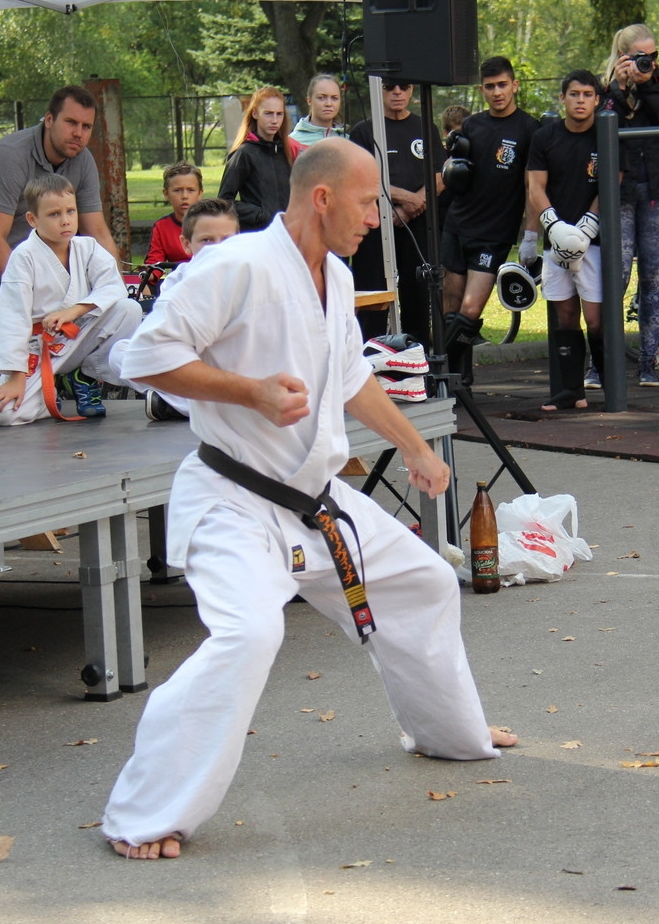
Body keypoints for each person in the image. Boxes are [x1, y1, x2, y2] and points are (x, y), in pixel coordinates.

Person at [101, 138, 516, 860]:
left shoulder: (331, 274)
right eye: (365, 203)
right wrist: (249, 391)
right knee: (249, 635)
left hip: (315, 501)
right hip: (233, 499)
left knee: (421, 582)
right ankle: (147, 814)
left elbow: (352, 377)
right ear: (321, 198)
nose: (374, 218)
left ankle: (451, 733)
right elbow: (142, 358)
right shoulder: (234, 266)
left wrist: (415, 447)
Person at [0, 174, 143, 425]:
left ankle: (84, 375)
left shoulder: (87, 247)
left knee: (128, 309)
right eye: (54, 214)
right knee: (3, 415)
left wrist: (74, 311)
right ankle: (49, 395)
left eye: (71, 211)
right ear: (32, 219)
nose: (66, 220)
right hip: (37, 346)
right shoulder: (23, 257)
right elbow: (13, 317)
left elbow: (113, 286)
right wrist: (15, 376)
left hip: (77, 337)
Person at [0, 85, 119, 276]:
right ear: (49, 120)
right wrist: (35, 296)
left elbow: (98, 232)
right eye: (71, 122)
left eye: (86, 126)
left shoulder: (83, 160)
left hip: (8, 268)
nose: (78, 133)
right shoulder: (10, 156)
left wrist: (118, 290)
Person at [439, 56, 541, 384]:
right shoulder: (472, 126)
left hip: (494, 233)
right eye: (490, 87)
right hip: (458, 225)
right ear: (481, 89)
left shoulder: (529, 129)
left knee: (469, 311)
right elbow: (457, 176)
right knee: (449, 308)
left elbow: (533, 186)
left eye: (502, 85)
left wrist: (530, 234)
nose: (497, 92)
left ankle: (436, 368)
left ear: (515, 85)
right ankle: (459, 379)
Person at [603, 23, 659, 387]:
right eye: (640, 56)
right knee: (615, 277)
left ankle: (649, 362)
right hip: (619, 188)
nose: (648, 61)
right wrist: (620, 89)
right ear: (622, 56)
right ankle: (601, 363)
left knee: (653, 275)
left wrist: (647, 83)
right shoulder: (606, 87)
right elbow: (601, 124)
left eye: (652, 55)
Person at [527, 70, 606, 411]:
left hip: (596, 242)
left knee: (596, 318)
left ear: (597, 100)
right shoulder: (545, 138)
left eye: (587, 94)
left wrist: (589, 225)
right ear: (563, 98)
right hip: (555, 240)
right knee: (565, 314)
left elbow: (612, 182)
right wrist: (552, 226)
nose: (580, 100)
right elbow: (534, 186)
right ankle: (571, 391)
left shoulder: (606, 134)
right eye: (574, 94)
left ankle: (611, 385)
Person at [125, 197, 241, 422]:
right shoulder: (176, 281)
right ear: (187, 244)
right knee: (124, 354)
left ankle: (180, 404)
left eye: (226, 240)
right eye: (207, 240)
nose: (217, 248)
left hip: (233, 365)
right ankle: (201, 406)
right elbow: (161, 336)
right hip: (192, 363)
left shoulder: (250, 275)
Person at [348, 80, 443, 341]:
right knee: (373, 296)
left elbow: (440, 174)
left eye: (403, 86)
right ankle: (369, 361)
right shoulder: (364, 131)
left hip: (417, 225)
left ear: (412, 90)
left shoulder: (425, 127)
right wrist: (401, 199)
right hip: (376, 224)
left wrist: (412, 207)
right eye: (390, 87)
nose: (397, 92)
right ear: (379, 91)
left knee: (418, 294)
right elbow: (360, 177)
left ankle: (417, 361)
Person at [218, 86, 297, 231]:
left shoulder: (286, 151)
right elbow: (224, 201)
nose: (274, 120)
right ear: (255, 113)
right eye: (268, 113)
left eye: (279, 114)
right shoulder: (245, 153)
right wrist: (260, 215)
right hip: (258, 235)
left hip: (287, 235)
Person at [144, 162, 203, 266]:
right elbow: (155, 262)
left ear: (200, 193)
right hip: (178, 280)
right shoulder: (161, 227)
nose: (184, 196)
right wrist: (149, 274)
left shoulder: (213, 223)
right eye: (177, 190)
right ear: (166, 194)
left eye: (191, 190)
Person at [289, 74, 347, 149]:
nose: (328, 104)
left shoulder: (348, 140)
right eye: (321, 98)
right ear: (309, 101)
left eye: (334, 98)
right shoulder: (293, 141)